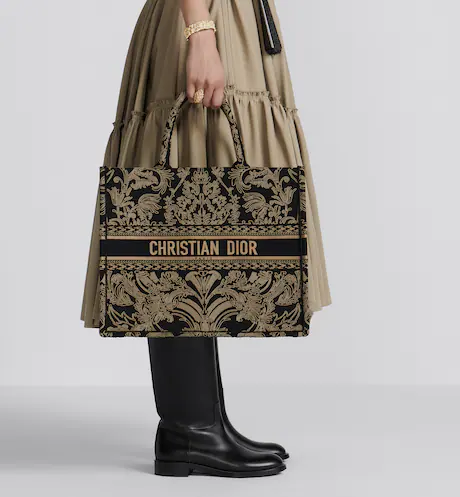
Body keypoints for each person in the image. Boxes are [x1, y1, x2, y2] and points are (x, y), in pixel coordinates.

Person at [80, 0, 332, 478]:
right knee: (182, 211)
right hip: (205, 19)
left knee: (193, 222)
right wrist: (199, 30)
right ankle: (189, 427)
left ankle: (203, 421)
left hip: (230, 23)